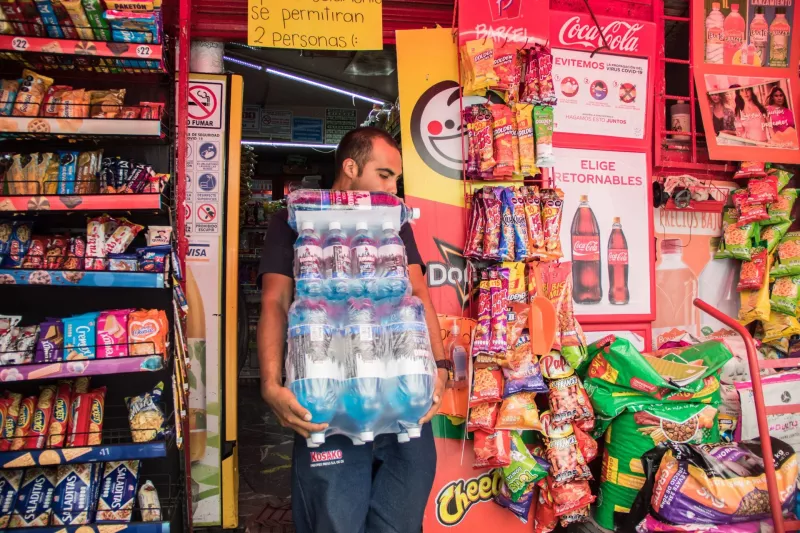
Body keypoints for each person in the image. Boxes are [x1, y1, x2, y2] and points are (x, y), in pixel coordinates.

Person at [257, 127, 448, 533]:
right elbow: (275, 302)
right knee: (335, 521)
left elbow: (417, 295)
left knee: (400, 522)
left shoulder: (395, 223)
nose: (393, 187)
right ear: (350, 166)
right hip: (326, 391)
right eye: (384, 174)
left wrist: (442, 366)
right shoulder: (293, 221)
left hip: (403, 389)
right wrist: (271, 384)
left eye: (396, 178)